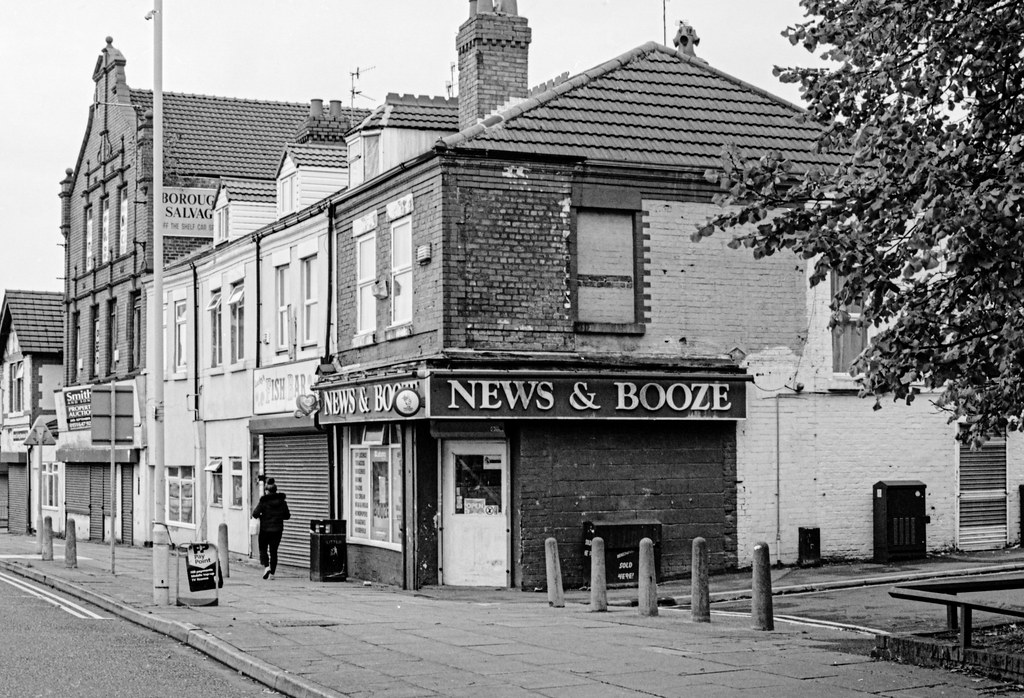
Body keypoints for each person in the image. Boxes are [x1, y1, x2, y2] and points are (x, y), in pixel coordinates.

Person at [251, 479, 290, 580]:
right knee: (274, 551)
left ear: (267, 491)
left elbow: (255, 514)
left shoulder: (264, 501)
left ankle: (267, 567)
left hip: (265, 530)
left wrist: (261, 515)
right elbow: (287, 516)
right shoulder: (282, 502)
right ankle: (272, 573)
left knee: (263, 549)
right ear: (276, 490)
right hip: (277, 530)